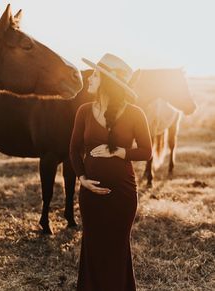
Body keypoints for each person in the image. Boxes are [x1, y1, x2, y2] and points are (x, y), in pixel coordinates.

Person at [69, 53, 152, 291]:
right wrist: (82, 179)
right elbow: (73, 150)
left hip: (123, 196)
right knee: (93, 246)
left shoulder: (135, 113)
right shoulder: (84, 111)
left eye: (95, 75)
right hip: (90, 196)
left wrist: (119, 152)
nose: (90, 79)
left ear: (108, 81)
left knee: (116, 248)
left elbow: (147, 151)